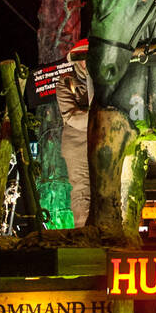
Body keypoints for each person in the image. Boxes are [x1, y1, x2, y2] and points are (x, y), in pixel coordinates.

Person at [58, 38, 92, 227]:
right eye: (82, 57)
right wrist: (100, 117)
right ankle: (83, 230)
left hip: (101, 140)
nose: (86, 61)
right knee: (82, 189)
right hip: (76, 144)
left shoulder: (105, 80)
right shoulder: (66, 83)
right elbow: (71, 116)